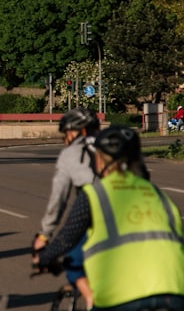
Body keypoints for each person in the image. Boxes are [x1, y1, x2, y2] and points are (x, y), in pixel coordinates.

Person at [34, 125, 184, 311]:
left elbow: (66, 239)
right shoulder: (161, 196)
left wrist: (43, 259)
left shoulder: (95, 194)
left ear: (98, 160)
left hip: (122, 295)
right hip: (174, 290)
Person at [33, 106, 100, 302]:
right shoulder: (115, 144)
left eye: (68, 132)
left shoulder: (71, 153)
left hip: (94, 214)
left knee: (73, 261)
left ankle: (92, 302)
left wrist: (44, 235)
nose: (66, 137)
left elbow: (58, 199)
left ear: (81, 130)